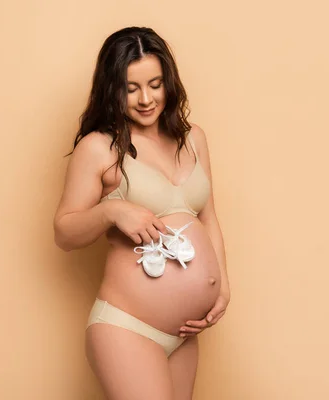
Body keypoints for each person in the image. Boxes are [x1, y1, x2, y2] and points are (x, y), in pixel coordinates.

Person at [53, 26, 231, 400]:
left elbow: (208, 218)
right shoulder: (99, 147)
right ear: (111, 89)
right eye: (130, 88)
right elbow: (64, 233)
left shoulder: (193, 137)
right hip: (128, 328)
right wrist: (111, 211)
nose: (146, 99)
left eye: (155, 84)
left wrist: (222, 287)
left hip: (183, 332)